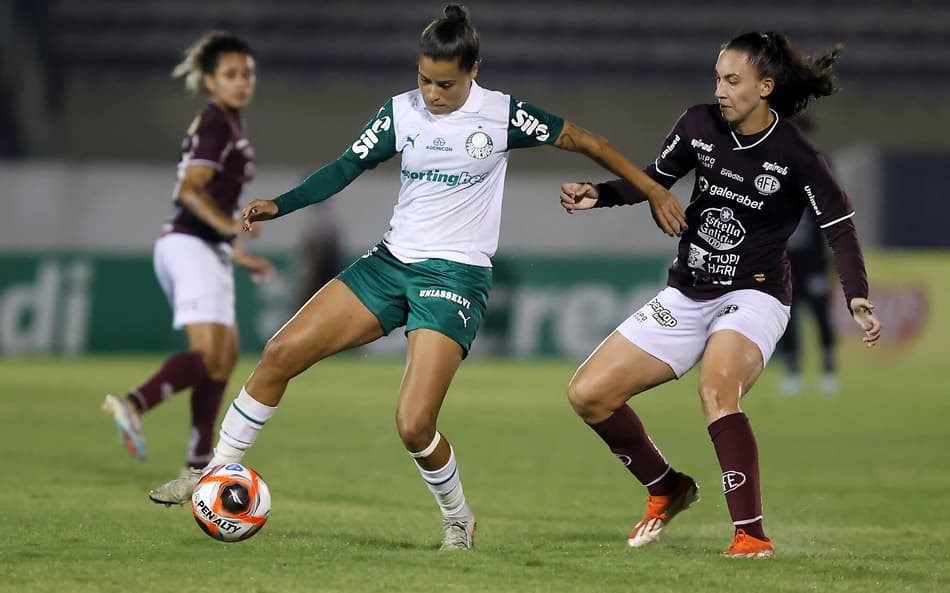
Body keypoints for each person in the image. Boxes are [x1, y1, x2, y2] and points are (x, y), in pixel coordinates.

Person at [146, 4, 686, 551]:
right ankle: (214, 470)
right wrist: (279, 205)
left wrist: (655, 190)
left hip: (455, 276)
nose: (431, 93)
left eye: (445, 84)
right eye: (424, 79)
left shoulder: (501, 115)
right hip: (390, 264)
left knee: (412, 424)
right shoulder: (403, 112)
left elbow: (589, 141)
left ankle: (458, 518)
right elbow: (345, 166)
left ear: (474, 71)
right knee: (280, 352)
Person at [558, 32, 881, 558]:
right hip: (690, 291)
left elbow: (840, 228)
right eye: (718, 78)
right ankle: (667, 488)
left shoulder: (797, 156)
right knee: (588, 395)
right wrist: (600, 196)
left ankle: (750, 534)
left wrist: (857, 297)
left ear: (765, 87)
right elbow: (654, 179)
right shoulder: (698, 124)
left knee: (716, 387)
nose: (721, 90)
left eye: (733, 80)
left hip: (755, 295)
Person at [101, 31, 274, 473]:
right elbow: (189, 190)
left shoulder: (230, 122)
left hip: (205, 247)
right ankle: (133, 405)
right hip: (188, 243)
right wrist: (228, 227)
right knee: (208, 356)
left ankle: (197, 463)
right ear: (210, 81)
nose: (242, 82)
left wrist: (235, 251)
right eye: (231, 74)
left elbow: (212, 198)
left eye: (248, 74)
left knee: (225, 356)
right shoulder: (216, 121)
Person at [778, 116, 839, 395]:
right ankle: (793, 371)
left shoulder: (821, 165)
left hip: (813, 259)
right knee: (786, 317)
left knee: (820, 313)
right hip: (783, 259)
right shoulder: (772, 165)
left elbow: (834, 214)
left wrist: (835, 251)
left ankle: (828, 369)